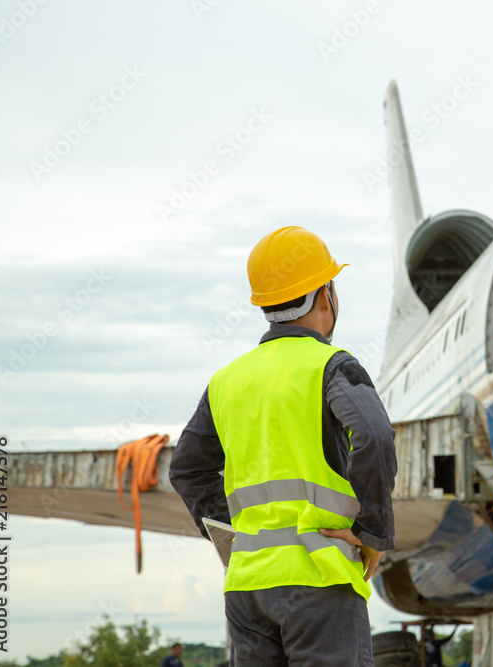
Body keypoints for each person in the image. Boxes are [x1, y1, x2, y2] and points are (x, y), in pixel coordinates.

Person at [169, 226, 398, 666]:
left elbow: (186, 469)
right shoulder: (332, 367)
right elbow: (373, 435)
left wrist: (233, 537)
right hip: (320, 580)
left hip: (247, 591)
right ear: (324, 294)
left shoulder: (226, 380)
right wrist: (373, 532)